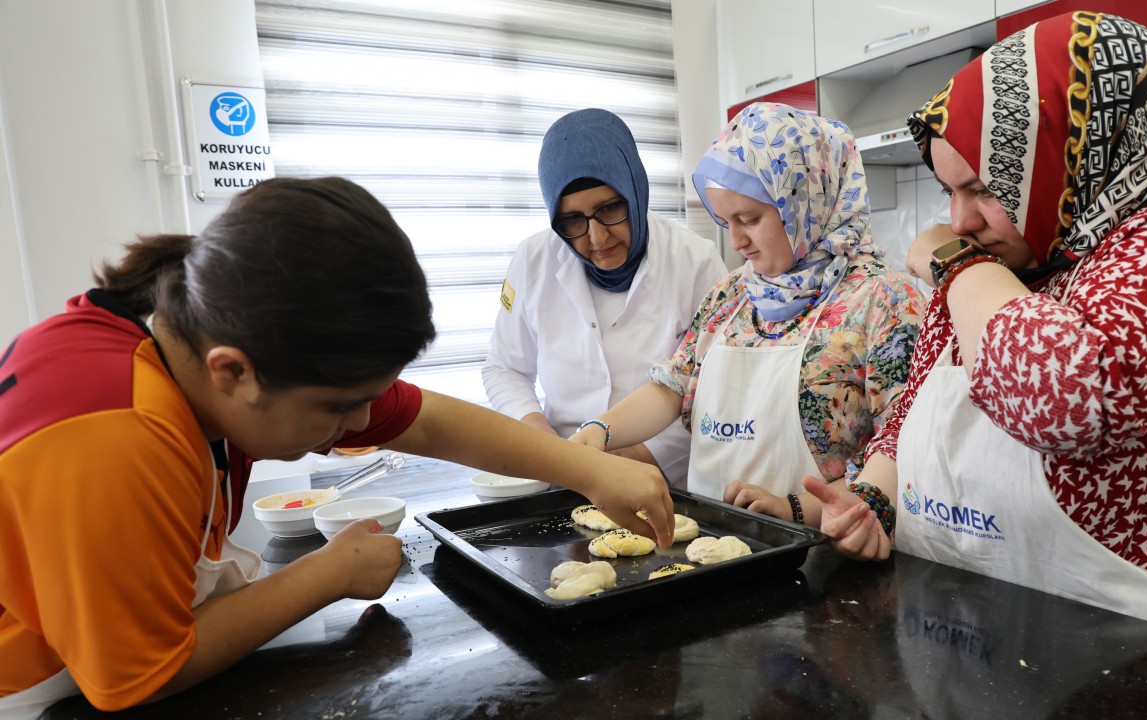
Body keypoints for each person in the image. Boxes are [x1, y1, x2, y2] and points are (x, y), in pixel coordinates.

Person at [0, 177, 676, 715]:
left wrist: (588, 470)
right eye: (338, 408)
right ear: (232, 372)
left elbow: (429, 422)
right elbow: (138, 675)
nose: (358, 425)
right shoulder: (114, 437)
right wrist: (329, 572)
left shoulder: (206, 327)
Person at [804, 11, 1147, 654]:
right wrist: (874, 502)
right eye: (948, 192)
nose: (959, 220)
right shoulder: (1012, 261)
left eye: (982, 189)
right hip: (977, 638)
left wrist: (956, 264)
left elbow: (1061, 399)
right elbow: (915, 409)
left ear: (1072, 156)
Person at [571, 102, 926, 526]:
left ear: (805, 202)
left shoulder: (885, 300)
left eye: (750, 219)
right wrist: (598, 431)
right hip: (714, 546)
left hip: (827, 553)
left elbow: (905, 447)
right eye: (726, 222)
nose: (737, 241)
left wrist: (796, 509)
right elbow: (672, 387)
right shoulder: (733, 293)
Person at [482, 108, 726, 486]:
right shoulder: (533, 259)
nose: (597, 238)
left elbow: (713, 389)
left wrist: (630, 462)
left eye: (609, 209)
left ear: (634, 189)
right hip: (561, 476)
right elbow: (504, 368)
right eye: (572, 221)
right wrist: (547, 448)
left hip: (665, 479)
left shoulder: (695, 262)